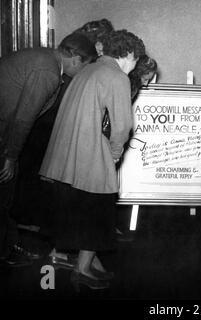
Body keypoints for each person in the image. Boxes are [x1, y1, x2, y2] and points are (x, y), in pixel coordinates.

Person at [39, 29, 145, 290]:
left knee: (78, 212)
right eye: (136, 59)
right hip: (90, 155)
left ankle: (88, 264)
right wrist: (114, 155)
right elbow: (121, 126)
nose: (135, 65)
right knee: (97, 214)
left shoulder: (87, 70)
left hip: (64, 156)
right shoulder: (117, 76)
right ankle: (83, 271)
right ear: (128, 54)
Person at [0, 33, 97, 268]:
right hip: (4, 135)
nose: (84, 73)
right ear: (75, 58)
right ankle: (5, 251)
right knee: (3, 195)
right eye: (86, 66)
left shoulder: (44, 57)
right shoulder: (48, 72)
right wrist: (11, 156)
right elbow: (24, 118)